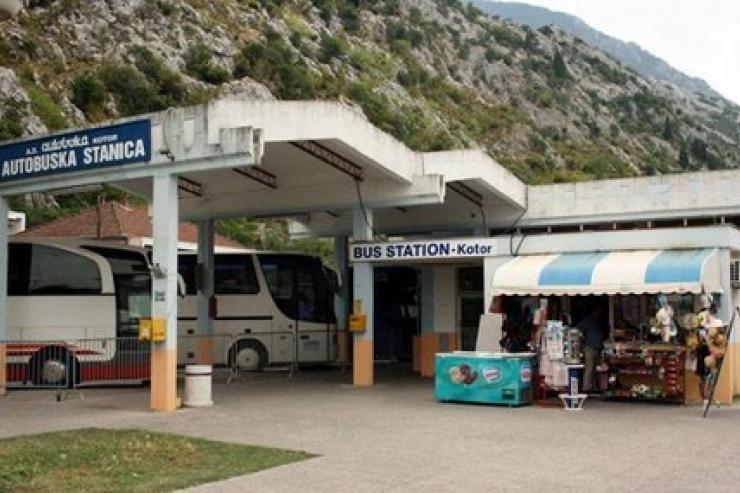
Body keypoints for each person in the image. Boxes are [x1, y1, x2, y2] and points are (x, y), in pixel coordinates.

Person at [578, 303, 607, 392]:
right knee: (589, 368)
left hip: (598, 347)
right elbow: (578, 330)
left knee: (595, 368)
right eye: (598, 311)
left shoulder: (599, 321)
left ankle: (593, 387)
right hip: (589, 347)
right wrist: (583, 342)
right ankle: (586, 387)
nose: (599, 313)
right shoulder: (587, 321)